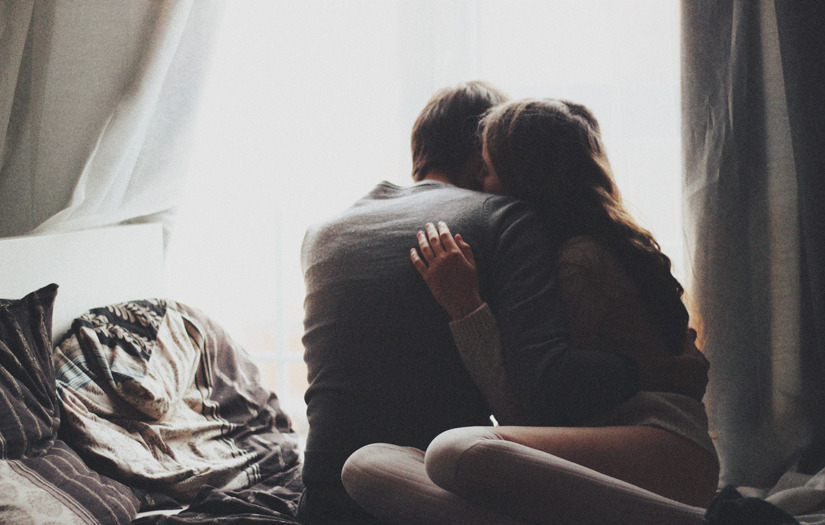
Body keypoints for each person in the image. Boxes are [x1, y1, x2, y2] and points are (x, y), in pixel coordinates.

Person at [299, 84, 707, 524]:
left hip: (658, 444)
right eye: (483, 172)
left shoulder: (580, 257)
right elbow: (544, 403)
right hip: (615, 453)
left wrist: (466, 307)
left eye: (490, 172)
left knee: (453, 451)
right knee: (366, 465)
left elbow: (536, 403)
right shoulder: (545, 239)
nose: (483, 186)